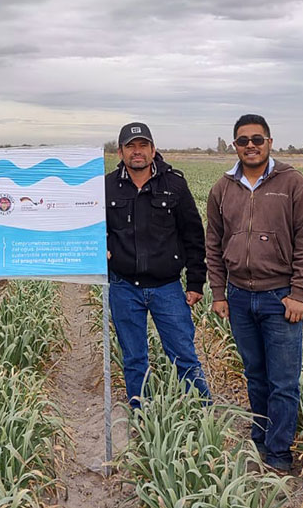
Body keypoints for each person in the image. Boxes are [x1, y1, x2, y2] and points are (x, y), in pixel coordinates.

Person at [205, 113, 303, 473]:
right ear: (234, 145)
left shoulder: (292, 183)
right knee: (255, 374)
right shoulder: (222, 188)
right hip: (239, 297)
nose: (250, 145)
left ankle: (279, 451)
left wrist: (298, 293)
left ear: (270, 142)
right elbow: (214, 243)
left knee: (283, 381)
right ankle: (260, 435)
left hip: (279, 297)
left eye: (257, 139)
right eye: (243, 140)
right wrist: (219, 293)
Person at [105, 122, 210, 410]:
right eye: (130, 146)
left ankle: (203, 415)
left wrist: (196, 282)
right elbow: (94, 230)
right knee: (134, 359)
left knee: (184, 355)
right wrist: (100, 249)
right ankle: (143, 417)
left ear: (153, 149)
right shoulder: (107, 185)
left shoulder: (174, 183)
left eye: (142, 146)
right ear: (121, 152)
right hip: (124, 287)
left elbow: (192, 233)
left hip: (167, 288)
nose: (136, 152)